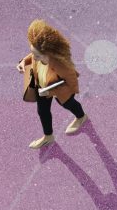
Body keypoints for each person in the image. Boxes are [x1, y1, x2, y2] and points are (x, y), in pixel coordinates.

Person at [17, 19, 87, 149]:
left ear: (47, 53)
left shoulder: (61, 65)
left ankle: (81, 117)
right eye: (32, 53)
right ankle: (48, 136)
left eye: (36, 55)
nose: (33, 57)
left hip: (57, 90)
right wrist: (23, 62)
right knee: (42, 111)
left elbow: (72, 83)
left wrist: (53, 92)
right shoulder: (38, 55)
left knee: (68, 104)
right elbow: (32, 56)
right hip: (42, 88)